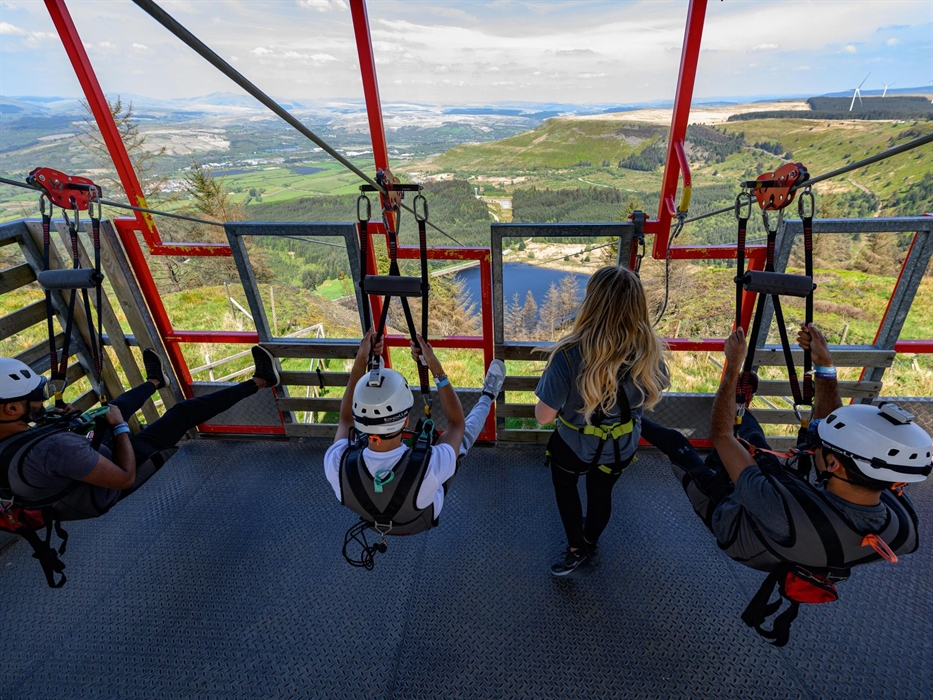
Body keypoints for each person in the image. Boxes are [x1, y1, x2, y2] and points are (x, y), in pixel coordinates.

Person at [641, 323, 929, 645]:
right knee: (752, 438)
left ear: (832, 463)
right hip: (802, 525)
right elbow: (827, 434)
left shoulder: (775, 505)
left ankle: (626, 413)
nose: (816, 444)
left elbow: (720, 435)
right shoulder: (901, 528)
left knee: (680, 445)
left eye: (824, 448)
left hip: (738, 525)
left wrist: (733, 366)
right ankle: (742, 412)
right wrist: (824, 366)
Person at [1, 346, 281, 524]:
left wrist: (60, 424)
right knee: (181, 413)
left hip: (70, 477)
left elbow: (36, 455)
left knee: (113, 408)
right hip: (108, 483)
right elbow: (125, 478)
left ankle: (156, 381)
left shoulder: (12, 433)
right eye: (38, 396)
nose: (43, 401)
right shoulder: (56, 448)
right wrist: (121, 427)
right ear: (13, 407)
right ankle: (262, 380)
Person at [534, 265, 669, 578]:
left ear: (591, 302)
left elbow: (543, 417)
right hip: (621, 447)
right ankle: (590, 541)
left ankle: (575, 549)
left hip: (573, 446)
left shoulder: (568, 354)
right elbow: (654, 391)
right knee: (601, 493)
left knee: (566, 489)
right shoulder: (650, 352)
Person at [323, 329, 506, 541]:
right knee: (461, 441)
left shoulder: (337, 463)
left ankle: (376, 374)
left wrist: (361, 360)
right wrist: (436, 369)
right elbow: (457, 424)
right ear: (407, 420)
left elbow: (346, 419)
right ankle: (488, 394)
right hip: (422, 516)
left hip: (373, 519)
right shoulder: (430, 465)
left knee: (447, 447)